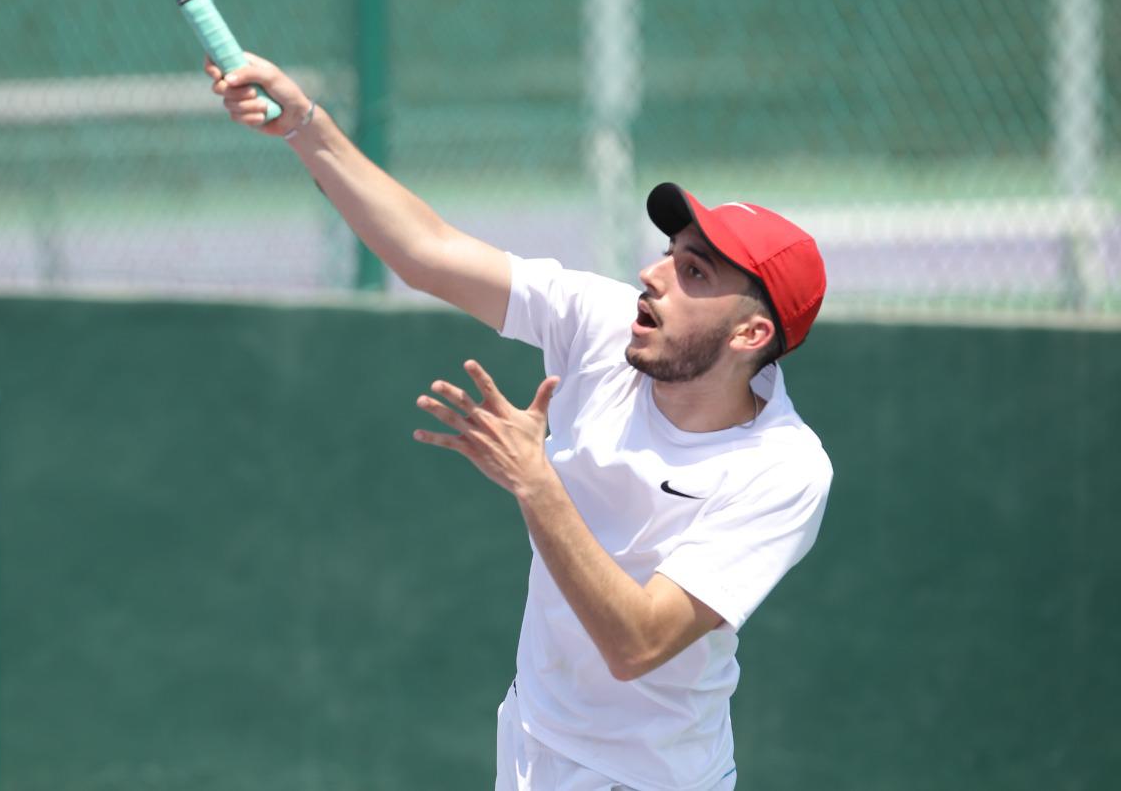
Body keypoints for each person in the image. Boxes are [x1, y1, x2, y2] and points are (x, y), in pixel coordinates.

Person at [209, 54, 832, 791]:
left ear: (749, 337)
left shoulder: (783, 471)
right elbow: (428, 253)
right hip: (533, 745)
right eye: (668, 255)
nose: (653, 275)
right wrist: (306, 126)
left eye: (694, 274)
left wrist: (535, 481)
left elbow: (637, 642)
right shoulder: (604, 327)